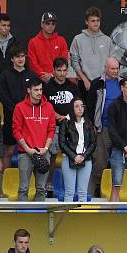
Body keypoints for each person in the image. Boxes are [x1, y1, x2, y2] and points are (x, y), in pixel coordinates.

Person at [12, 77, 56, 201]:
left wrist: (46, 148)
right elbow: (16, 130)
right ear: (29, 90)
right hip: (25, 153)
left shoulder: (49, 107)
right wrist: (27, 149)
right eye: (36, 90)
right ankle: (22, 218)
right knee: (23, 188)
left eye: (41, 89)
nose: (39, 93)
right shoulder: (20, 107)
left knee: (41, 189)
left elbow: (51, 130)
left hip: (43, 152)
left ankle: (39, 219)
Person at [86, 57, 121, 195]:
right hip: (102, 127)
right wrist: (93, 123)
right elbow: (89, 105)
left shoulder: (123, 83)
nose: (115, 71)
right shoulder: (97, 83)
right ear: (105, 68)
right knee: (100, 160)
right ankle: (97, 188)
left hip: (119, 129)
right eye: (112, 68)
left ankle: (114, 189)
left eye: (117, 68)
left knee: (118, 161)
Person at [0, 45, 37, 169]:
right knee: (8, 152)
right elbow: (4, 97)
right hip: (11, 117)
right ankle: (5, 182)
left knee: (30, 151)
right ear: (12, 59)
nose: (20, 59)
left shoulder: (32, 75)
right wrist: (18, 111)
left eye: (22, 56)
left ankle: (30, 183)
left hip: (30, 119)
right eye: (17, 57)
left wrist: (27, 111)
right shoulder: (5, 75)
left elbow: (37, 96)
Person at [44, 56, 79, 185]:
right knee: (51, 156)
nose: (62, 73)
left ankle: (69, 185)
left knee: (72, 156)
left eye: (64, 70)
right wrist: (56, 115)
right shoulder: (47, 87)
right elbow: (43, 105)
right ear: (53, 70)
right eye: (59, 70)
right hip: (53, 127)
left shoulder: (73, 86)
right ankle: (48, 184)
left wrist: (68, 117)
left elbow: (79, 104)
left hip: (70, 126)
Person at [59, 97, 96, 202]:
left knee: (83, 193)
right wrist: (74, 156)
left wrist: (83, 156)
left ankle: (81, 217)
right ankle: (66, 218)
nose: (80, 108)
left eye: (82, 106)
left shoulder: (88, 122)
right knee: (69, 193)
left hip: (86, 159)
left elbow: (93, 143)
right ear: (72, 108)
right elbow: (62, 143)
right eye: (76, 106)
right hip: (69, 159)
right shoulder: (65, 122)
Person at [70, 7, 112, 96]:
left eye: (98, 20)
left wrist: (106, 81)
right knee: (85, 110)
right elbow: (74, 62)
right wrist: (84, 79)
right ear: (86, 22)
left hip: (102, 83)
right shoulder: (78, 39)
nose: (96, 23)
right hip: (84, 83)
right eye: (93, 21)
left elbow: (111, 63)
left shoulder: (107, 40)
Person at [27, 12, 68, 84]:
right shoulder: (33, 42)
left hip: (57, 80)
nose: (50, 26)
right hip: (39, 81)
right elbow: (32, 63)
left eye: (53, 24)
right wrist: (43, 75)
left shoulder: (61, 40)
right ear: (42, 24)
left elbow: (64, 61)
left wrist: (52, 75)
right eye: (47, 23)